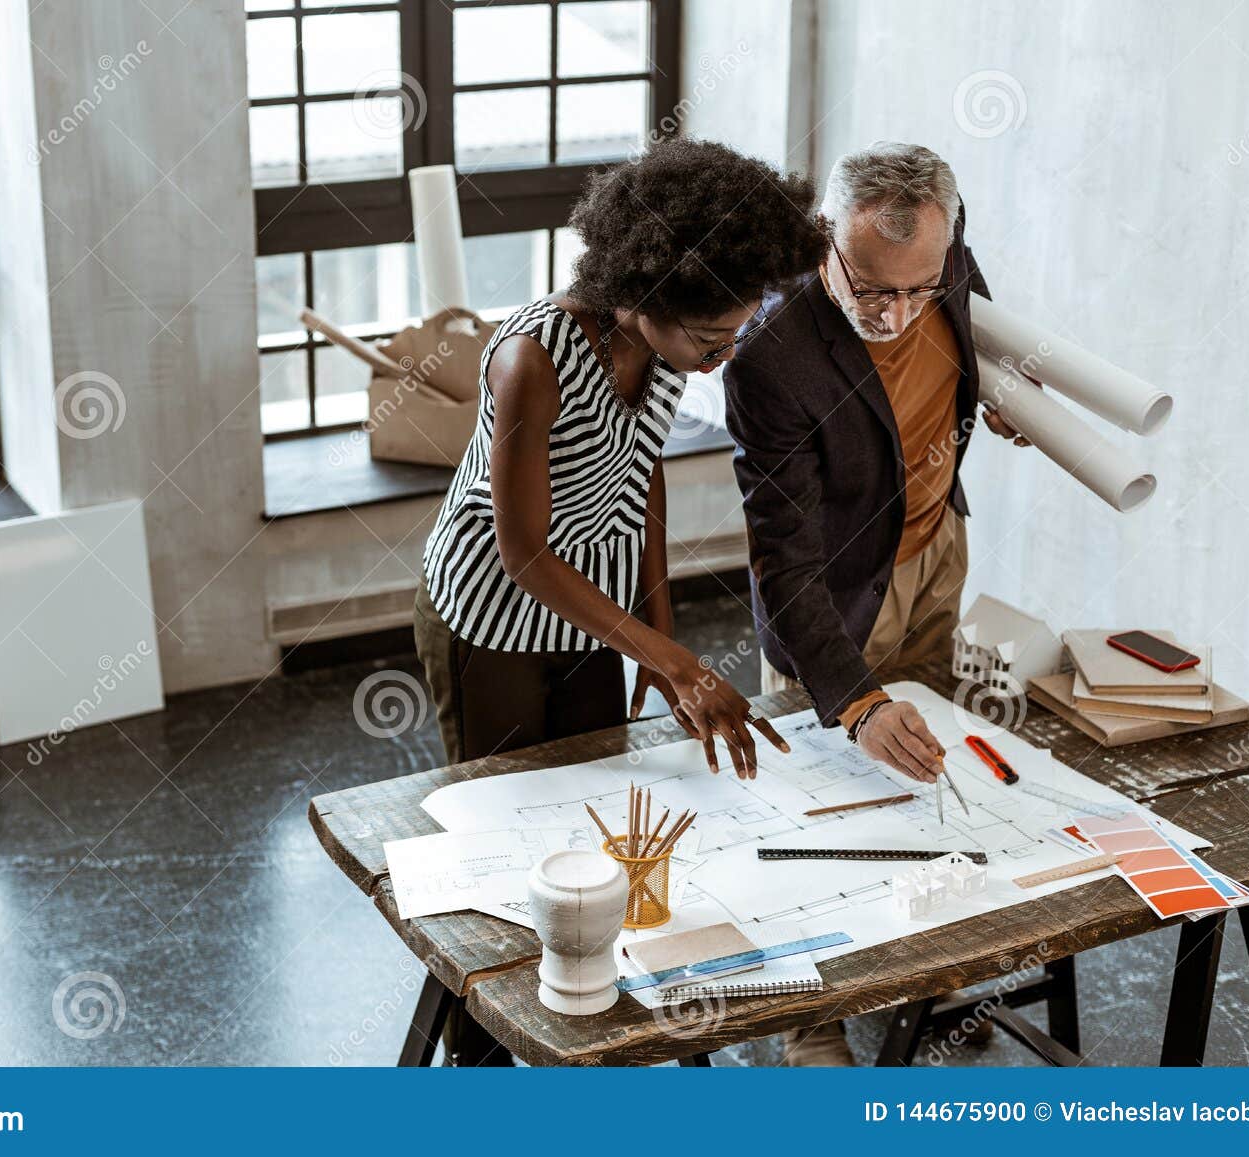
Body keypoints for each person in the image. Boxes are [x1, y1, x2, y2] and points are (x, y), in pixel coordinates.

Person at [413, 138, 825, 1063]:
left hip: (593, 612)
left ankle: (588, 1031)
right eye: (712, 339)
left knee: (588, 826)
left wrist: (658, 643)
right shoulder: (532, 356)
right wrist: (672, 658)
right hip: (492, 616)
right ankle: (483, 1052)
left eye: (734, 337)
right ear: (643, 295)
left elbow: (643, 480)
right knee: (503, 845)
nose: (720, 360)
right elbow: (522, 550)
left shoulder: (666, 347)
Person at [724, 142, 1030, 1065]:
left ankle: (922, 967)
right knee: (808, 808)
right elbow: (783, 562)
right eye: (871, 289)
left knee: (920, 776)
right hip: (832, 586)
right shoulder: (769, 355)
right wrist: (854, 699)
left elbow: (967, 327)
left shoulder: (946, 253)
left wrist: (1000, 391)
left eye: (918, 288)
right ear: (828, 240)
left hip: (936, 546)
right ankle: (807, 1018)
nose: (896, 313)